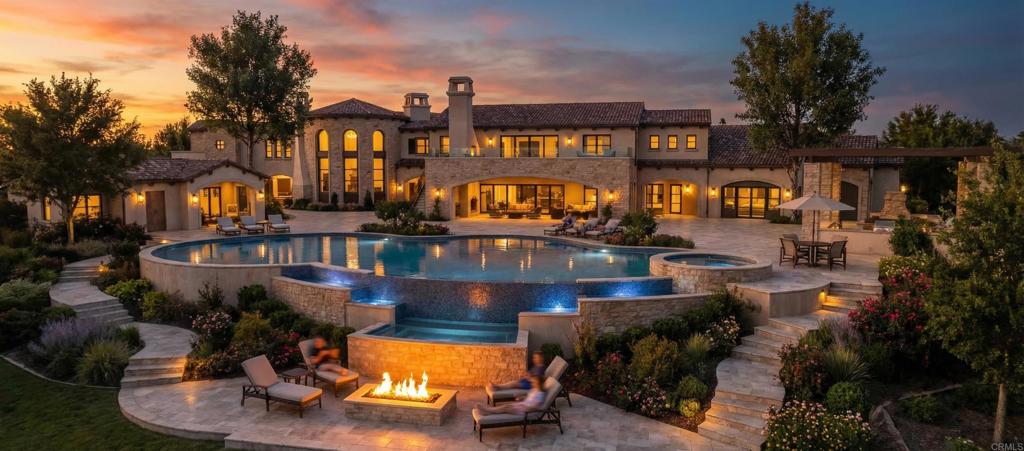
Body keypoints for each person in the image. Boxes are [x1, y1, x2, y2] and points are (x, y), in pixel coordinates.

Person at [475, 374, 545, 415]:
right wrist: (521, 398)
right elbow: (530, 399)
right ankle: (487, 410)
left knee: (506, 408)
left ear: (539, 383)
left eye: (534, 382)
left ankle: (487, 411)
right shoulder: (534, 390)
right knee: (506, 406)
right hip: (522, 405)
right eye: (533, 382)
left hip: (525, 410)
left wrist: (524, 407)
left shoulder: (540, 394)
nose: (532, 383)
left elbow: (535, 407)